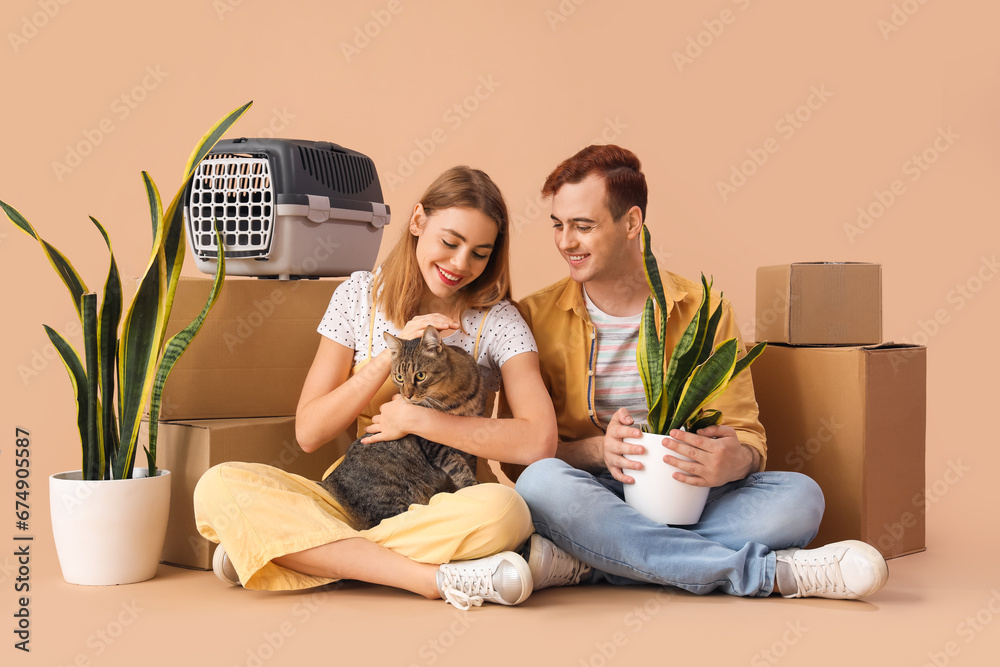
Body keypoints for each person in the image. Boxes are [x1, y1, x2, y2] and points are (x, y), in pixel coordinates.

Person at [504, 145, 889, 600]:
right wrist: (596, 451)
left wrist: (735, 460)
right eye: (559, 225)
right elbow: (517, 457)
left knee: (801, 497)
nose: (566, 241)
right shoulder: (531, 316)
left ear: (631, 223)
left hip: (690, 494)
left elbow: (748, 435)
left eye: (583, 226)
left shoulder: (701, 309)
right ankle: (771, 575)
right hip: (595, 494)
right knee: (540, 485)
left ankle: (590, 563)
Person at [194, 166, 558, 610]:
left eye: (480, 253)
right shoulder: (356, 296)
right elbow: (309, 432)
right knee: (218, 486)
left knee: (504, 512)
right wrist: (393, 353)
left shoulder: (499, 321)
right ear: (418, 221)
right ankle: (427, 578)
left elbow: (539, 440)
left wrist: (421, 418)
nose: (461, 264)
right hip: (345, 495)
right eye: (450, 242)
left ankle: (305, 552)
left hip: (443, 505)